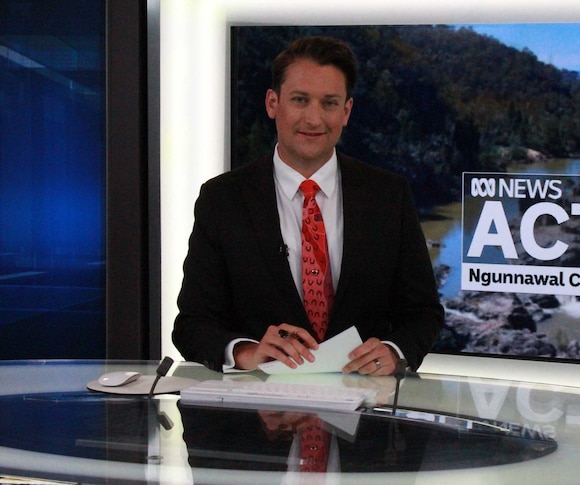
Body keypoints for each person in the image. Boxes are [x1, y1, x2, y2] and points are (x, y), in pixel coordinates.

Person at [172, 36, 443, 376]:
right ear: (273, 103)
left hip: (364, 414)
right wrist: (244, 352)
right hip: (257, 415)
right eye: (300, 100)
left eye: (329, 103)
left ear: (346, 111)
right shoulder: (222, 199)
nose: (314, 119)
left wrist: (393, 351)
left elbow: (423, 313)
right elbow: (192, 324)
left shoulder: (389, 195)